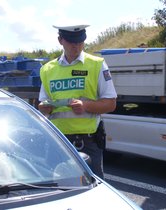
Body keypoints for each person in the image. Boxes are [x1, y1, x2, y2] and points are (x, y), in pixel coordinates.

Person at [38, 24, 117, 179]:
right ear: (60, 40)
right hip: (57, 143)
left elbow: (111, 103)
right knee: (56, 190)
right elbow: (42, 104)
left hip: (87, 142)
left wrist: (86, 106)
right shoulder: (47, 70)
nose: (77, 45)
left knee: (92, 193)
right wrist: (45, 108)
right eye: (72, 41)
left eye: (80, 41)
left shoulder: (97, 64)